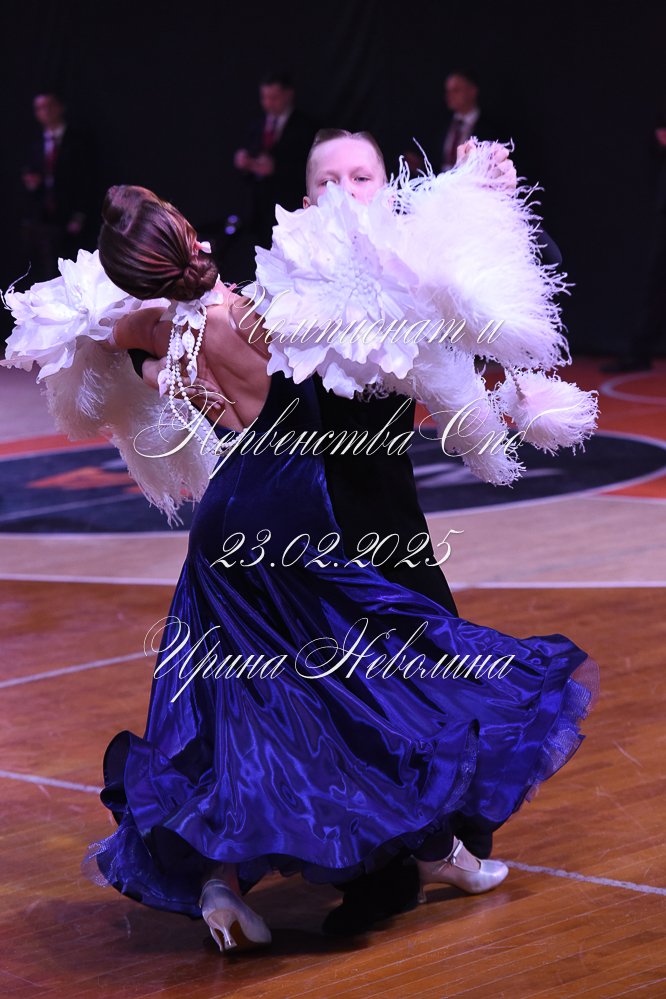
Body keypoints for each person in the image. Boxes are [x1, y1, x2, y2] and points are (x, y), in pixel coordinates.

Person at [83, 134, 597, 956]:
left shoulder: (161, 321)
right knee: (361, 690)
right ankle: (437, 852)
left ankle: (222, 881)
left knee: (244, 700)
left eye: (360, 176)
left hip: (229, 520)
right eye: (330, 179)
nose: (345, 191)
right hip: (295, 509)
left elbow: (110, 331)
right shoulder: (264, 303)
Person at [233, 72, 317, 251]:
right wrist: (246, 164)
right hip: (259, 212)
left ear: (288, 94)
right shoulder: (257, 125)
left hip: (290, 207)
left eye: (274, 97)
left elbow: (310, 168)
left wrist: (276, 169)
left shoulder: (306, 127)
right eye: (264, 97)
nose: (268, 103)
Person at [20, 92, 96, 282]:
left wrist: (79, 214)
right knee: (46, 272)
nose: (45, 112)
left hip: (72, 218)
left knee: (74, 268)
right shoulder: (35, 143)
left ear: (60, 107)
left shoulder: (78, 141)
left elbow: (86, 179)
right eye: (39, 108)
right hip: (43, 219)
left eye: (49, 106)